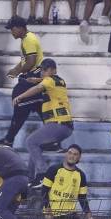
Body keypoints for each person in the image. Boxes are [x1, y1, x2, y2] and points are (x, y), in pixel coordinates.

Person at [13, 58, 74, 188]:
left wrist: (20, 96)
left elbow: (39, 87)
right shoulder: (60, 80)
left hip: (57, 124)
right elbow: (46, 81)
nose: (41, 73)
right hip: (65, 127)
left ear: (52, 70)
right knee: (36, 146)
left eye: (44, 71)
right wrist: (37, 80)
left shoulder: (49, 80)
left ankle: (43, 174)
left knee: (30, 141)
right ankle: (31, 179)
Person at [0, 16, 44, 147]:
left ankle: (9, 139)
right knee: (39, 110)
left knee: (19, 102)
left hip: (32, 79)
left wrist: (18, 72)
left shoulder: (28, 40)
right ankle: (9, 139)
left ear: (20, 28)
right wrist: (16, 69)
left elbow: (31, 62)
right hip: (34, 78)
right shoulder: (27, 38)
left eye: (12, 29)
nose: (11, 32)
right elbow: (26, 60)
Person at [42, 145, 93, 219]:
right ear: (66, 154)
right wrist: (47, 211)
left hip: (71, 214)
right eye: (70, 153)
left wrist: (90, 217)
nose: (72, 156)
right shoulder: (54, 169)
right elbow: (44, 191)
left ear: (79, 157)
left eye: (75, 154)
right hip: (54, 214)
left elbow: (82, 198)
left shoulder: (81, 175)